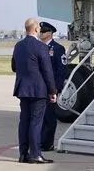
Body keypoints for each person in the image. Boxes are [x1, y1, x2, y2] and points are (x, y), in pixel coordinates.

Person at [11, 18, 57, 164]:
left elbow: (14, 67)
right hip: (38, 90)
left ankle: (23, 154)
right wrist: (52, 90)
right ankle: (35, 154)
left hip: (23, 89)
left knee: (24, 121)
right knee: (36, 122)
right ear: (36, 29)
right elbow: (47, 71)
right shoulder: (41, 47)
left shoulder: (18, 45)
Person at [39, 21, 67, 152]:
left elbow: (61, 70)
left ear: (50, 33)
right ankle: (40, 141)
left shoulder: (57, 48)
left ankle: (48, 143)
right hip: (39, 88)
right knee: (40, 117)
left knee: (49, 117)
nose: (40, 33)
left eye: (43, 31)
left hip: (50, 89)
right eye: (40, 31)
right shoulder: (38, 47)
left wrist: (55, 88)